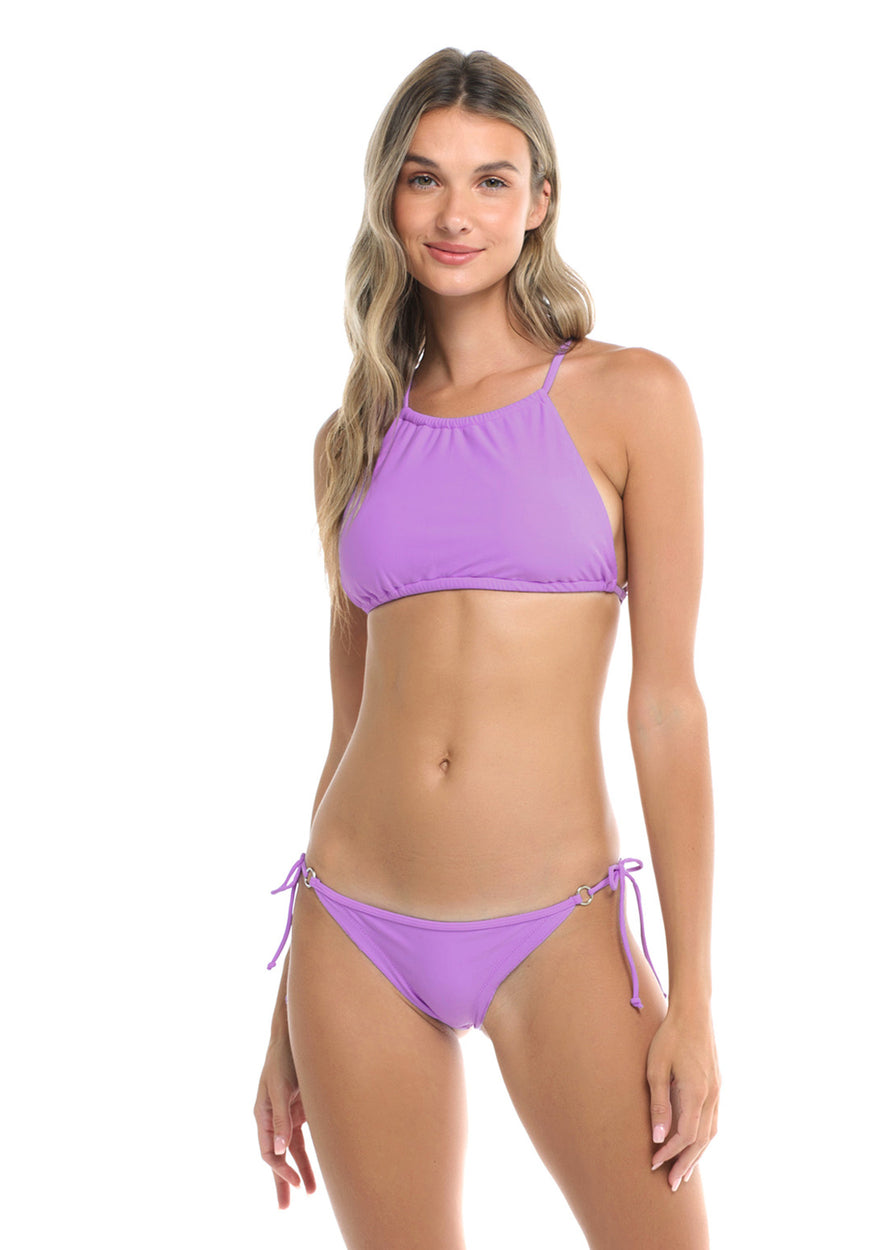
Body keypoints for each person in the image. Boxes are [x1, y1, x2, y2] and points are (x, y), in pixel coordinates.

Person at [254, 46, 719, 1249]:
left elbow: (666, 704)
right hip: (353, 925)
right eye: (424, 179)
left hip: (556, 922)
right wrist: (282, 1018)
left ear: (540, 201)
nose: (455, 213)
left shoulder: (631, 398)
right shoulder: (351, 440)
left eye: (491, 180)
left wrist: (693, 998)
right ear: (388, 199)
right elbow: (348, 718)